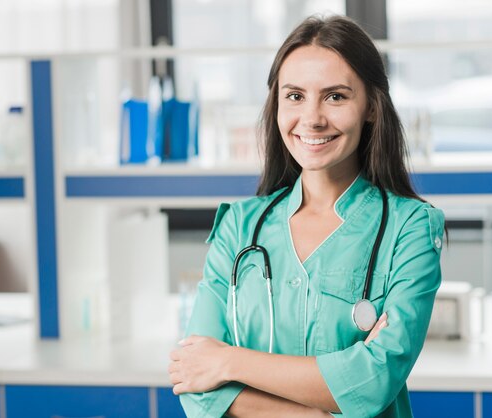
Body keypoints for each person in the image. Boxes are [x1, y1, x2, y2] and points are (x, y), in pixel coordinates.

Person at [168, 14, 445, 418]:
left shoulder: (410, 227)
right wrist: (316, 412)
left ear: (370, 106)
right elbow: (195, 384)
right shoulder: (240, 225)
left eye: (335, 96)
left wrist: (228, 361)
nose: (312, 118)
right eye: (295, 96)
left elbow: (375, 380)